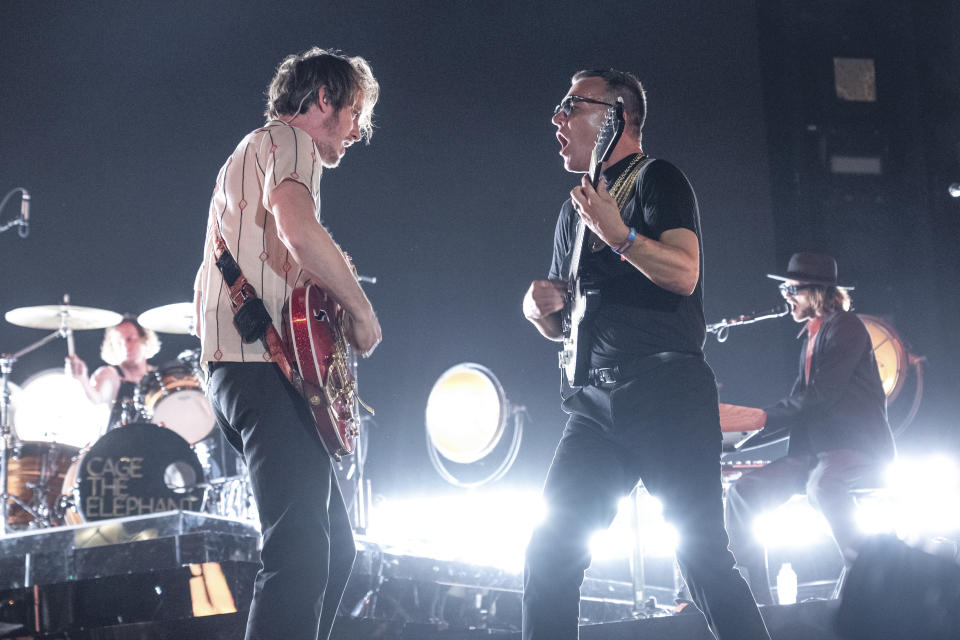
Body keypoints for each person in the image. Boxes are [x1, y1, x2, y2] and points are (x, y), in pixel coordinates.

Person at [521, 69, 770, 640]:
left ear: (616, 116)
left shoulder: (658, 179)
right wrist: (539, 313)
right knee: (548, 553)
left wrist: (621, 236)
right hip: (595, 406)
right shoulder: (572, 211)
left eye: (571, 105)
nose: (556, 118)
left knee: (703, 559)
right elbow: (566, 327)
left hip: (666, 392)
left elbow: (685, 274)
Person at [194, 47, 382, 640]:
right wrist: (361, 310)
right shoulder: (288, 143)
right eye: (354, 112)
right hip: (257, 366)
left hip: (239, 366)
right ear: (321, 100)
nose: (359, 130)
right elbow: (300, 229)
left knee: (335, 554)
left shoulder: (253, 152)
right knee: (300, 556)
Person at [724, 252, 896, 605]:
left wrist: (750, 421)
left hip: (855, 448)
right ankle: (753, 603)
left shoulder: (845, 327)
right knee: (743, 494)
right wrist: (733, 439)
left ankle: (876, 577)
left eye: (792, 288)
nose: (786, 295)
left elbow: (817, 398)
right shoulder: (812, 336)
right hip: (815, 454)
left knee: (823, 484)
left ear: (816, 293)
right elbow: (797, 407)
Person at [65, 315, 160, 430]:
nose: (125, 346)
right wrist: (82, 379)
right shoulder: (110, 374)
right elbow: (96, 399)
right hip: (117, 444)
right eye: (119, 342)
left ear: (144, 340)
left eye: (129, 339)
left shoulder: (159, 377)